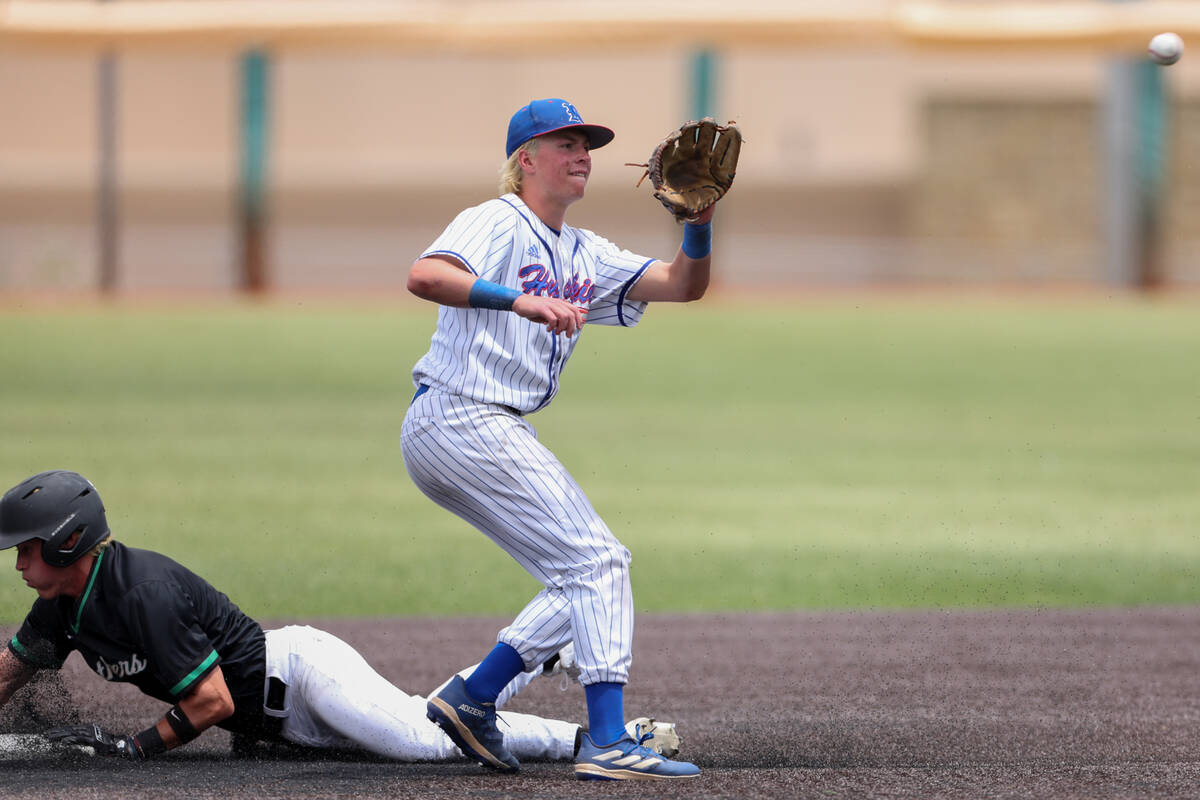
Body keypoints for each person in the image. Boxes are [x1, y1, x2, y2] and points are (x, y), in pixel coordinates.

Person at [402, 98, 719, 781]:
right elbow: (426, 274)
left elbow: (682, 285)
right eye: (566, 143)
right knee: (600, 564)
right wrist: (518, 299)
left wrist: (699, 225)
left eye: (588, 145)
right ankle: (606, 739)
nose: (583, 154)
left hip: (476, 426)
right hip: (462, 415)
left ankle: (474, 695)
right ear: (525, 161)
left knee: (582, 576)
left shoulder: (583, 252)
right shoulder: (497, 219)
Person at [0, 470, 679, 764]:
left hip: (300, 677)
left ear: (66, 542)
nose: (18, 562)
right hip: (280, 716)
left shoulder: (138, 590)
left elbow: (209, 702)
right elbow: (10, 670)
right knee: (428, 729)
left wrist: (137, 747)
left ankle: (542, 657)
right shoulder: (64, 606)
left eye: (26, 548)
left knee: (427, 742)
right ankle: (587, 738)